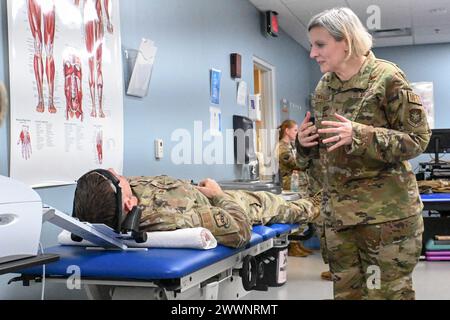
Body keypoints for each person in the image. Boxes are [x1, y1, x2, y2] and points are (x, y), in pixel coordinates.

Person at [298, 8, 431, 299]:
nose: (312, 53)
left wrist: (359, 135)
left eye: (320, 45)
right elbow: (325, 152)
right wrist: (304, 144)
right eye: (312, 45)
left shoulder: (387, 78)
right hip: (339, 221)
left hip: (386, 221)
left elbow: (419, 139)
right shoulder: (325, 87)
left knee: (386, 295)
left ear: (345, 41)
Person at [73, 168, 322, 249]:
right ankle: (321, 206)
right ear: (128, 204)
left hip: (201, 190)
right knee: (284, 205)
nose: (118, 172)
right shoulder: (170, 218)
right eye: (118, 177)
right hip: (230, 204)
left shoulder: (107, 200)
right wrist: (219, 194)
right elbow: (239, 229)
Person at [277, 120, 314, 257]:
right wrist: (307, 160)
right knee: (296, 213)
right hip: (290, 185)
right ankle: (293, 245)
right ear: (286, 130)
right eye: (295, 130)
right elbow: (295, 163)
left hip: (299, 184)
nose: (297, 133)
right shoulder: (282, 147)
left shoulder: (291, 145)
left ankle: (298, 244)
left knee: (303, 213)